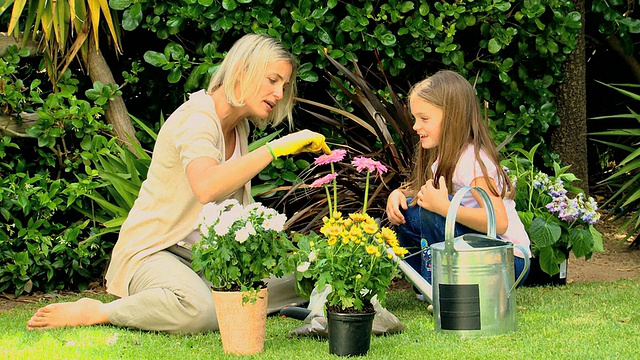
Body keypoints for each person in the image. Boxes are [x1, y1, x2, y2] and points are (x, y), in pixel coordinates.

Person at [26, 34, 330, 333]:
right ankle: (100, 311)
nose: (279, 94)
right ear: (242, 70)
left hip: (204, 260)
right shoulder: (197, 118)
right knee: (199, 313)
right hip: (156, 252)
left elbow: (234, 212)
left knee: (307, 273)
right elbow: (207, 187)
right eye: (273, 80)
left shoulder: (239, 129)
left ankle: (222, 299)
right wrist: (276, 148)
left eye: (284, 85)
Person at [385, 70, 530, 297]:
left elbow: (498, 222)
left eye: (424, 119)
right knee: (409, 209)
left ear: (452, 117)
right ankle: (427, 285)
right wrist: (399, 194)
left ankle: (443, 291)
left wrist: (444, 208)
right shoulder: (445, 155)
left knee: (434, 211)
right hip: (480, 256)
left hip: (508, 261)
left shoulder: (472, 159)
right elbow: (427, 194)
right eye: (415, 119)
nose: (415, 126)